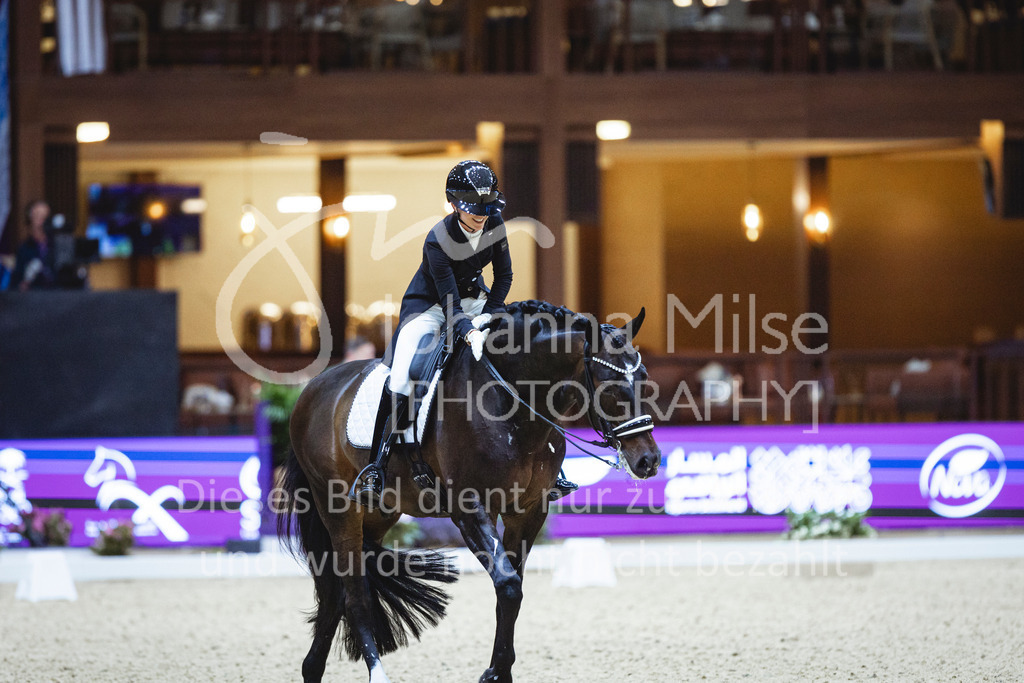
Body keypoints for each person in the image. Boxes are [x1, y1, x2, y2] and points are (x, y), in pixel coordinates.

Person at [351, 160, 576, 505]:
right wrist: (468, 331)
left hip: (476, 302)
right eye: (474, 209)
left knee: (521, 355)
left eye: (487, 208)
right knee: (401, 375)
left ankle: (551, 465)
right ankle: (376, 467)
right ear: (454, 204)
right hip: (430, 308)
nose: (482, 216)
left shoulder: (494, 222)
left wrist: (492, 313)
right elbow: (448, 299)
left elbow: (504, 276)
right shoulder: (437, 240)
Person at [9, 200, 57, 291]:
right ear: (29, 220)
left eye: (45, 217)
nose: (42, 221)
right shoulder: (24, 249)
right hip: (34, 295)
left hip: (59, 295)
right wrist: (24, 283)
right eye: (38, 216)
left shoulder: (57, 246)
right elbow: (15, 283)